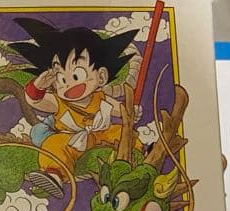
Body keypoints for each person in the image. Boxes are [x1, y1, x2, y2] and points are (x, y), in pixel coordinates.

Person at [10, 18, 139, 199]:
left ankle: (141, 155)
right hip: (70, 139)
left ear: (101, 77)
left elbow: (122, 110)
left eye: (77, 75)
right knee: (54, 144)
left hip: (100, 134)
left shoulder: (100, 98)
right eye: (62, 79)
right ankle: (54, 174)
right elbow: (34, 101)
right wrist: (38, 85)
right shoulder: (58, 102)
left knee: (122, 132)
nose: (69, 84)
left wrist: (131, 113)